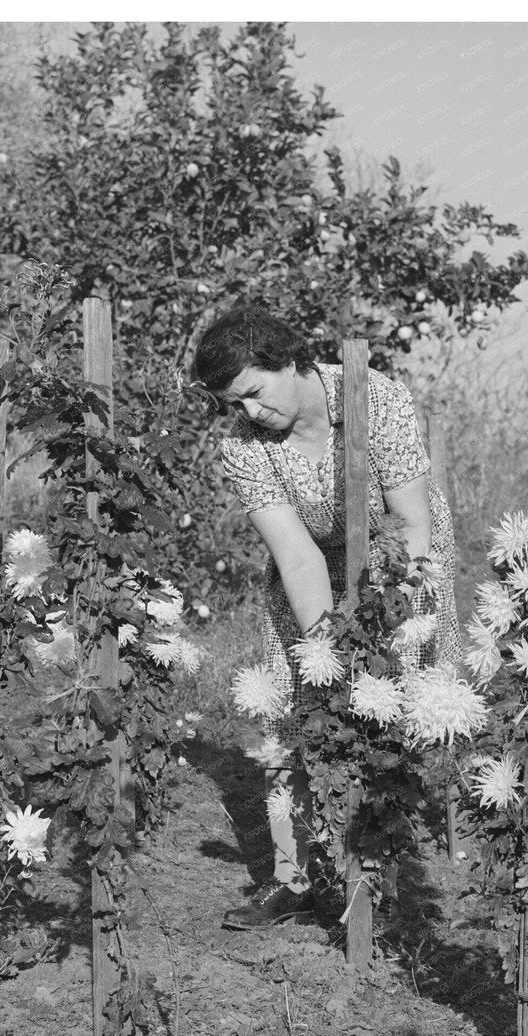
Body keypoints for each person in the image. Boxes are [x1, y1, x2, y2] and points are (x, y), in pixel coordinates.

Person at [188, 304, 463, 929]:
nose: (250, 414)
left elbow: (412, 523)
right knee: (295, 699)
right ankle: (293, 877)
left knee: (396, 694)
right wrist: (324, 651)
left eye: (255, 394)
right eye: (236, 404)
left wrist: (382, 619)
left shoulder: (376, 400)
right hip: (311, 561)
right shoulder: (244, 446)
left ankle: (386, 865)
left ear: (287, 360)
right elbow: (296, 554)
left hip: (400, 552)